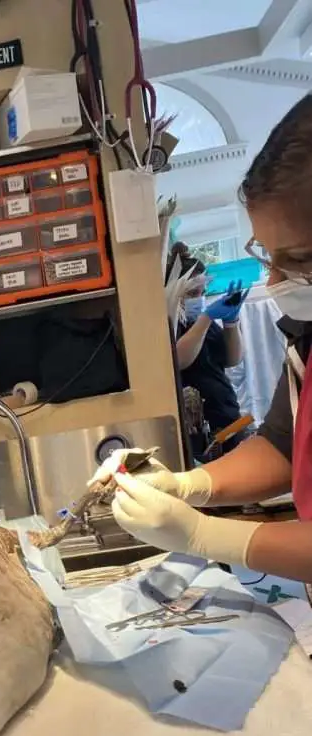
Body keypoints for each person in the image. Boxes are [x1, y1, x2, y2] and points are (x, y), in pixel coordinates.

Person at [93, 94, 312, 585]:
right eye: (266, 254)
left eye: (298, 258)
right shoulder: (307, 336)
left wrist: (205, 537)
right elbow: (281, 444)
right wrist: (188, 484)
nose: (275, 280)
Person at [167, 243, 249, 458]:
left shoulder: (203, 322)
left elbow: (232, 359)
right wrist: (205, 319)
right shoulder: (168, 326)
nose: (200, 298)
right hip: (201, 434)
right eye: (193, 293)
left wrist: (232, 322)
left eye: (203, 292)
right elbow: (178, 361)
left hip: (229, 420)